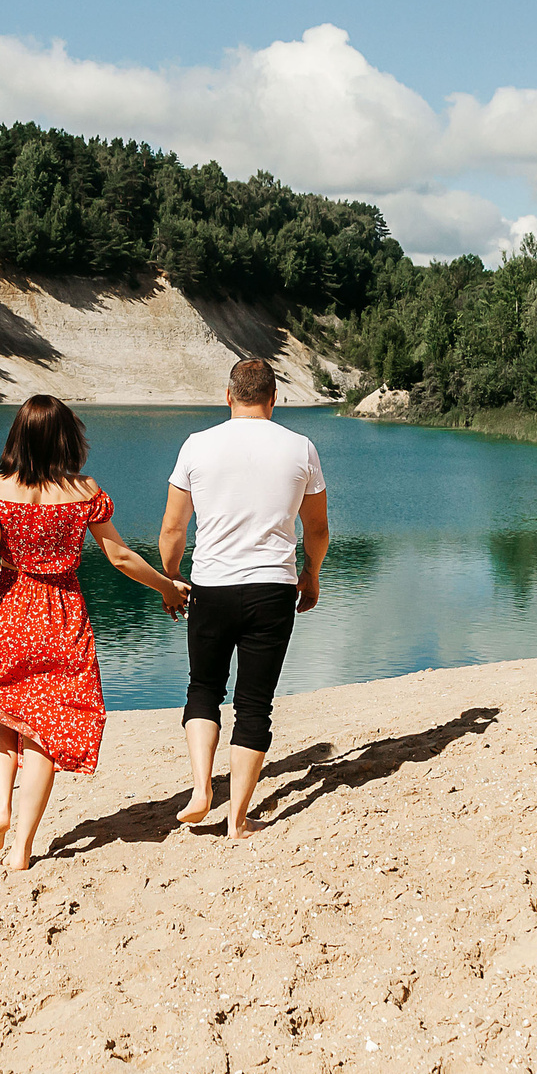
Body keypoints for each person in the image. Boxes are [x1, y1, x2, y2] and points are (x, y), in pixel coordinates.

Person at [0, 395, 189, 870]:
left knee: (7, 712)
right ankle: (23, 848)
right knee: (48, 729)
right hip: (63, 614)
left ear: (19, 437)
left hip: (11, 610)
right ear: (69, 437)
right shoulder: (84, 491)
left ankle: (1, 809)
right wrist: (166, 586)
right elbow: (120, 557)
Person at [159, 357, 330, 839]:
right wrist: (311, 575)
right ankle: (238, 820)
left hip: (211, 586)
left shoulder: (197, 445)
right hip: (272, 589)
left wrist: (172, 579)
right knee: (255, 704)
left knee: (203, 689)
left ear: (228, 396)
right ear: (274, 399)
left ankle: (199, 789)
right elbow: (316, 528)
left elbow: (173, 529)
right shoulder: (301, 448)